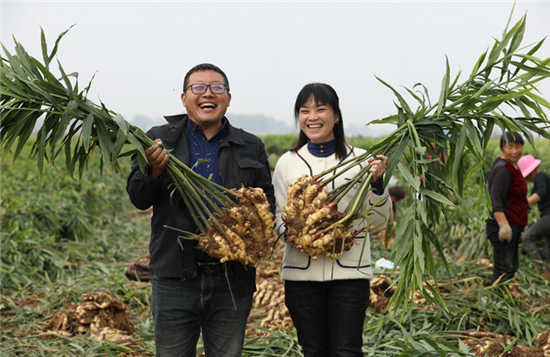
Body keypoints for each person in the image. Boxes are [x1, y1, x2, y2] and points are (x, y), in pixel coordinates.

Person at [126, 63, 275, 357]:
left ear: (228, 98)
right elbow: (138, 198)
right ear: (184, 98)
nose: (208, 93)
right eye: (198, 87)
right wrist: (154, 170)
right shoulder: (157, 139)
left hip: (233, 279)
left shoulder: (250, 145)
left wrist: (249, 217)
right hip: (174, 278)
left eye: (216, 88)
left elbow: (267, 205)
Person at [272, 83, 391, 357]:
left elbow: (377, 221)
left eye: (320, 109)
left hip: (349, 275)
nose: (312, 117)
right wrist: (289, 233)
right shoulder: (287, 163)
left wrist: (376, 184)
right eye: (304, 111)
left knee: (347, 351)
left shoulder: (361, 161)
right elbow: (278, 215)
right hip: (301, 276)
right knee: (313, 351)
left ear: (336, 116)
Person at [486, 131, 529, 285]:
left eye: (518, 146)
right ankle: (493, 302)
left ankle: (503, 302)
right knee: (503, 269)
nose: (515, 151)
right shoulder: (503, 169)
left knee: (510, 266)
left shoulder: (511, 166)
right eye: (510, 147)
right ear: (502, 148)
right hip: (504, 226)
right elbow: (495, 197)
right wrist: (503, 224)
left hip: (513, 224)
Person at [518, 154, 550, 269]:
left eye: (526, 177)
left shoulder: (540, 177)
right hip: (546, 216)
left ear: (530, 173)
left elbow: (541, 192)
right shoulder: (543, 178)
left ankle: (539, 268)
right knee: (548, 252)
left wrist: (524, 203)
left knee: (527, 237)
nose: (527, 179)